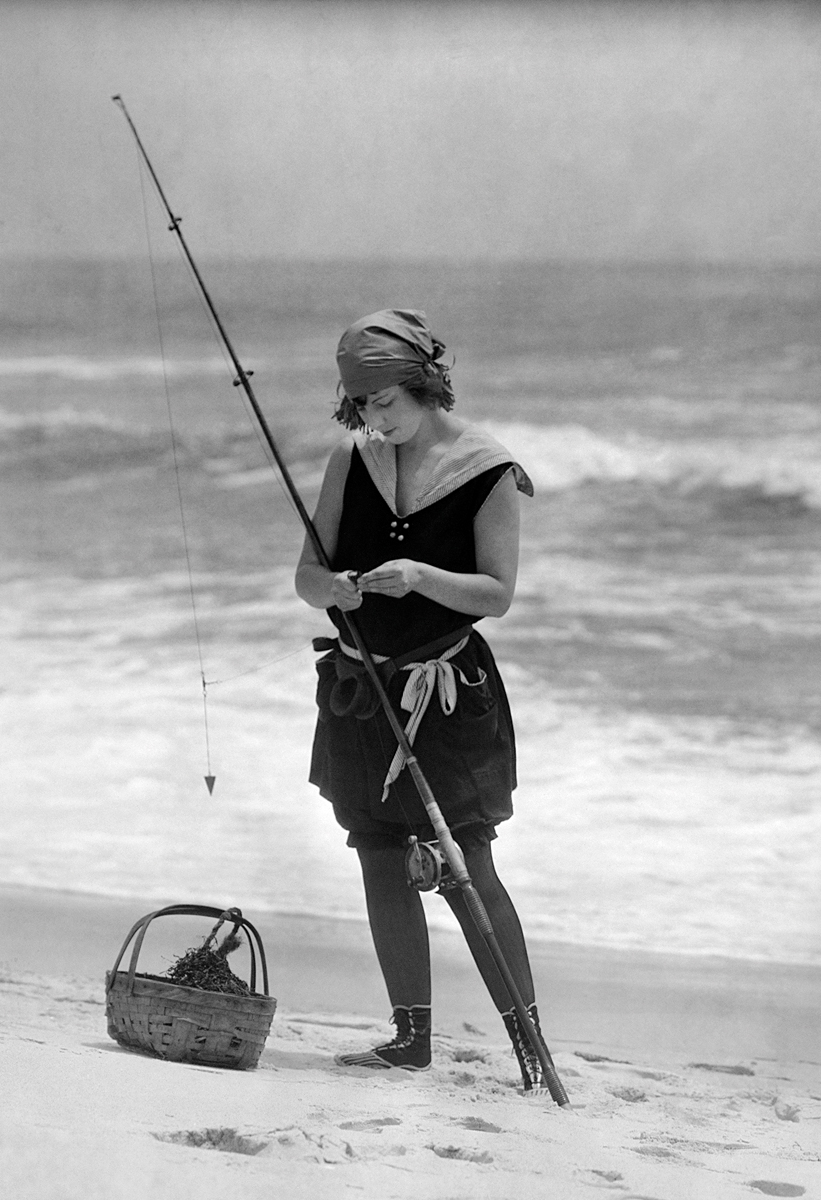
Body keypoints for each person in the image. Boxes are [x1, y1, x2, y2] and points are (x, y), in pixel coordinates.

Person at [295, 309, 547, 1090]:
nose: (373, 419)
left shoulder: (488, 469)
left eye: (384, 403)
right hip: (358, 687)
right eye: (360, 405)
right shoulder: (353, 460)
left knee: (464, 859)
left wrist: (421, 577)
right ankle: (409, 1038)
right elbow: (306, 577)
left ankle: (527, 1043)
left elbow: (497, 594)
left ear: (424, 385)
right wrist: (329, 586)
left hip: (444, 691)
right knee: (376, 852)